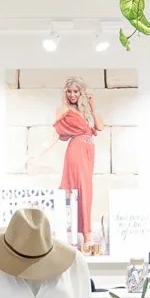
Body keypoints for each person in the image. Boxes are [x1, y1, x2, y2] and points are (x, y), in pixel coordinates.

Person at [54, 74, 103, 244]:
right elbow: (56, 133)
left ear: (82, 92)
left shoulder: (86, 110)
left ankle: (84, 235)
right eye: (69, 91)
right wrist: (39, 152)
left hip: (88, 152)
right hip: (76, 151)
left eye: (76, 91)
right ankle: (86, 235)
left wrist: (92, 107)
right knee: (81, 190)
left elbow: (100, 127)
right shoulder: (64, 110)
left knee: (86, 190)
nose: (72, 95)